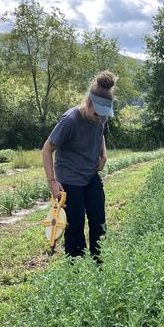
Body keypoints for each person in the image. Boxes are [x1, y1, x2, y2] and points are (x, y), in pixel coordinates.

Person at [41, 71, 116, 259]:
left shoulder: (101, 118)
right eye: (98, 114)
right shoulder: (70, 120)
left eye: (104, 116)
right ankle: (77, 270)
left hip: (90, 175)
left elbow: (101, 135)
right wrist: (52, 182)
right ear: (88, 102)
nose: (101, 118)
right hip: (69, 178)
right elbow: (47, 149)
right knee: (74, 224)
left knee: (99, 221)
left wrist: (103, 155)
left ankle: (99, 263)